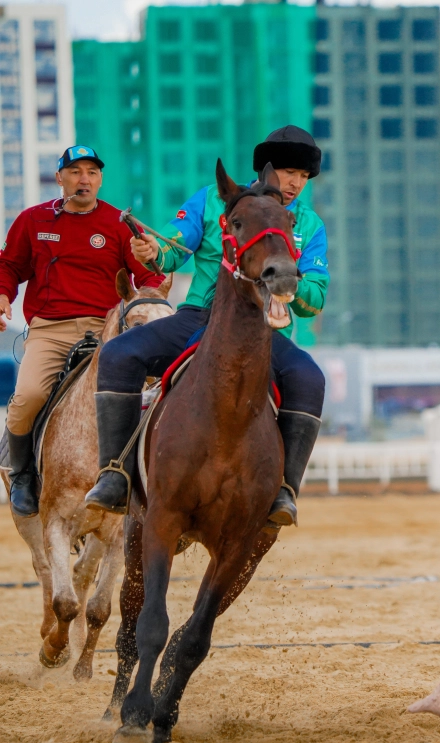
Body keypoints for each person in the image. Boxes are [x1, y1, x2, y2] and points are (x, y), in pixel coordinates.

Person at [84, 126, 329, 526]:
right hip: (199, 317)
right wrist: (153, 252)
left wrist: (292, 288)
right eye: (287, 172)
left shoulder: (311, 225)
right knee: (117, 353)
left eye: (303, 176)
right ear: (266, 172)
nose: (294, 183)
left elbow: (314, 300)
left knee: (310, 379)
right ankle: (115, 473)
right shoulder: (214, 200)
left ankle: (284, 491)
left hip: (266, 334)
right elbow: (172, 246)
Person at [0, 145, 164, 517]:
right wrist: (3, 295)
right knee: (26, 397)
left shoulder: (120, 225)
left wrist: (154, 258)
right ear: (60, 178)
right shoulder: (32, 221)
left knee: (149, 396)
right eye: (75, 171)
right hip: (49, 330)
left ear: (100, 179)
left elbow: (150, 277)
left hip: (107, 330)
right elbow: (8, 266)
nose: (84, 179)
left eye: (92, 172)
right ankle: (23, 474)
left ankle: (149, 479)